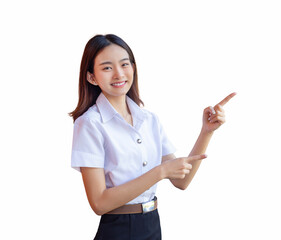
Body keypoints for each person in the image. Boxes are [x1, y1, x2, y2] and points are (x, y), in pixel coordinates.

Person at [69, 34, 236, 240]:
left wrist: (206, 132)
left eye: (124, 64)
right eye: (107, 68)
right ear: (91, 77)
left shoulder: (149, 120)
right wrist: (160, 172)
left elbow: (181, 182)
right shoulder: (89, 124)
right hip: (118, 230)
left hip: (152, 225)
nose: (119, 74)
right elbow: (99, 203)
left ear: (133, 67)